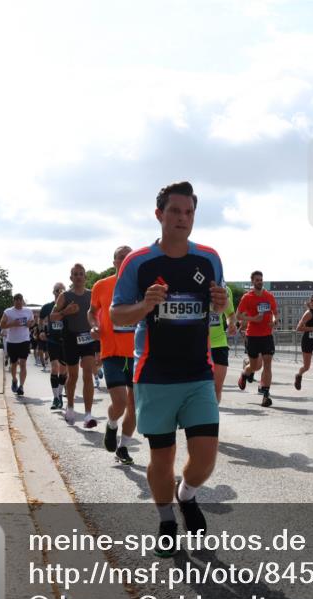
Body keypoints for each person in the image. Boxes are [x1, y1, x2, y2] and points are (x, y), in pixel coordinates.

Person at [110, 181, 228, 557]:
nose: (182, 218)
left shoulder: (208, 258)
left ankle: (187, 494)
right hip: (155, 375)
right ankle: (165, 519)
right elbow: (116, 314)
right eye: (175, 211)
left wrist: (223, 303)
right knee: (162, 458)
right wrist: (144, 305)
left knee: (206, 457)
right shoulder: (139, 262)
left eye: (189, 212)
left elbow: (219, 308)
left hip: (197, 372)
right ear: (159, 214)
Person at [90, 245, 139, 464]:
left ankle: (124, 447)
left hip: (137, 353)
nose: (125, 260)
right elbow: (92, 312)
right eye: (121, 257)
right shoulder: (102, 286)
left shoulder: (141, 286)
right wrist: (93, 326)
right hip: (112, 351)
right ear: (114, 262)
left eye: (129, 256)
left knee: (135, 404)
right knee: (120, 402)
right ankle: (111, 424)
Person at [53, 264, 100, 428]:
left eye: (81, 274)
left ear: (85, 277)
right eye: (75, 274)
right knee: (73, 376)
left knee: (88, 374)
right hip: (70, 338)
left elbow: (98, 314)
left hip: (87, 337)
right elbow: (52, 318)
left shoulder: (93, 295)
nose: (79, 276)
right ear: (71, 278)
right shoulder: (64, 296)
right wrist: (66, 312)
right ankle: (70, 407)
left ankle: (88, 415)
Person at [236, 271, 278, 407]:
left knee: (267, 365)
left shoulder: (269, 296)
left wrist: (274, 321)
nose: (260, 282)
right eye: (257, 280)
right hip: (252, 336)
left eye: (261, 279)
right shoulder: (247, 297)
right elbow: (238, 316)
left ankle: (266, 395)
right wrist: (252, 319)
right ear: (252, 282)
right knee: (255, 366)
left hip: (267, 335)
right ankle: (244, 373)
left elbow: (275, 314)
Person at [39, 283, 68, 410]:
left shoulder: (68, 306)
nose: (59, 292)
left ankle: (60, 394)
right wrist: (41, 331)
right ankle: (55, 398)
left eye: (62, 290)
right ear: (53, 292)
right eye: (57, 290)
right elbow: (40, 319)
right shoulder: (47, 307)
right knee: (54, 367)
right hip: (52, 340)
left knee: (63, 370)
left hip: (66, 341)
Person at [0, 294, 34, 396]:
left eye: (20, 300)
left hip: (24, 340)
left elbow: (32, 321)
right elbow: (1, 324)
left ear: (22, 301)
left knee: (23, 364)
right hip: (12, 341)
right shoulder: (8, 312)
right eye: (16, 300)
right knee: (14, 364)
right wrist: (12, 324)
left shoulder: (28, 311)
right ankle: (14, 380)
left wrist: (30, 324)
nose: (19, 302)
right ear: (13, 301)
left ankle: (21, 386)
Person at [209, 283, 237, 402]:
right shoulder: (192, 287)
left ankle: (213, 418)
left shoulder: (225, 289)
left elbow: (230, 313)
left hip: (219, 343)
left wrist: (231, 323)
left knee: (217, 388)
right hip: (198, 344)